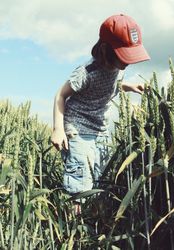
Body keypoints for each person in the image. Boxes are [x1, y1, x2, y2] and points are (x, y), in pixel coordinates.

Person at [51, 14, 150, 195]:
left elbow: (112, 85)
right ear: (105, 50)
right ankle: (75, 221)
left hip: (100, 130)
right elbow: (61, 95)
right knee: (80, 183)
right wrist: (58, 129)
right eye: (124, 56)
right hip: (78, 129)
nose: (128, 62)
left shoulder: (118, 67)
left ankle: (91, 219)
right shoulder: (87, 72)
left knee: (98, 180)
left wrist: (130, 86)